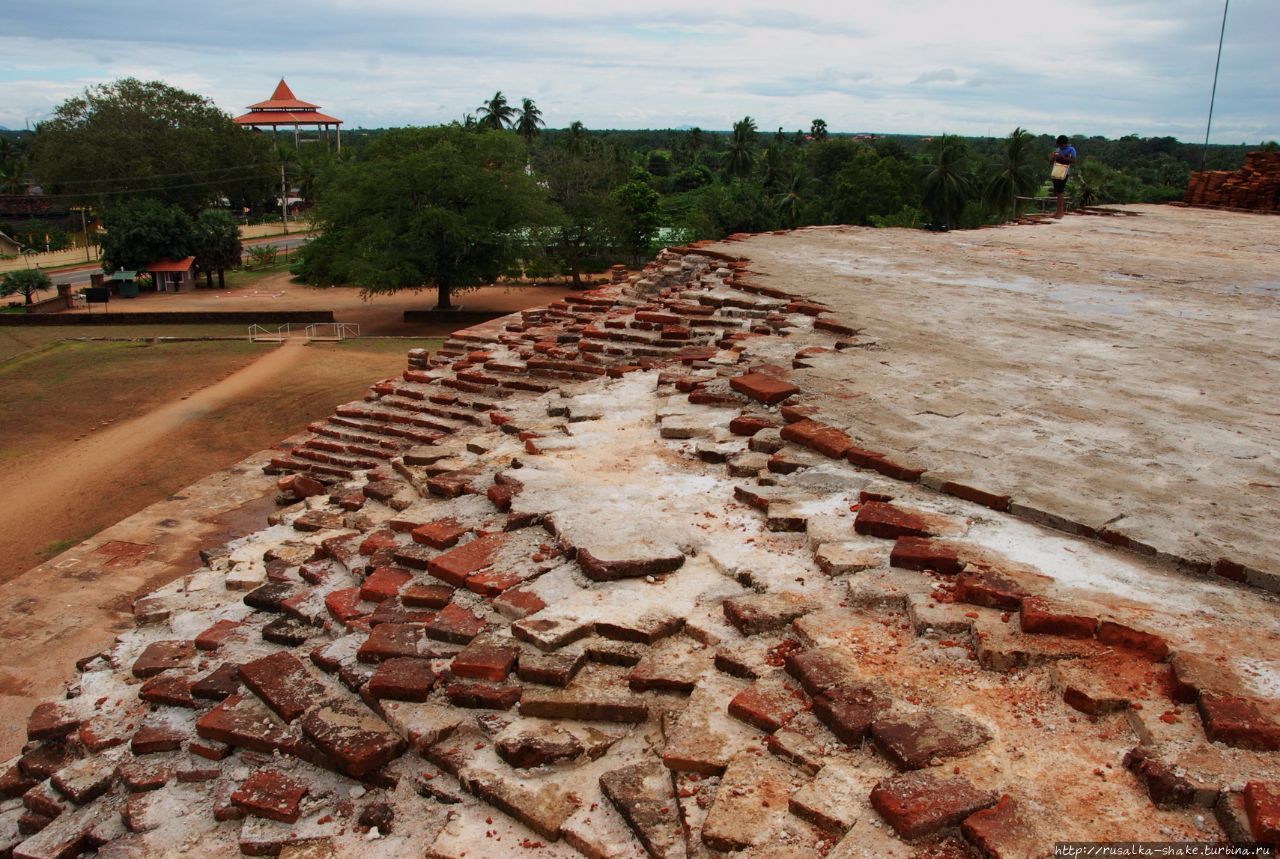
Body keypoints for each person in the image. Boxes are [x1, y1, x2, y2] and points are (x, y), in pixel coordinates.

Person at [1048, 135, 1077, 219]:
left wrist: (1062, 157)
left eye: (1061, 145)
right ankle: (1057, 211)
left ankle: (1061, 212)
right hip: (1056, 172)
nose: (1060, 147)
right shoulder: (1058, 150)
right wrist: (1053, 157)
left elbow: (1074, 160)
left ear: (1065, 144)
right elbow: (1051, 162)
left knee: (1060, 192)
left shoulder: (1071, 150)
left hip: (1064, 172)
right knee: (1057, 192)